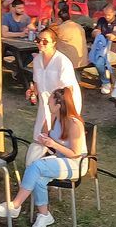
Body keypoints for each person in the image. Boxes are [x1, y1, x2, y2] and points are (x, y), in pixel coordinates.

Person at [0, 87, 86, 227]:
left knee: (36, 166)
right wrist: (45, 138)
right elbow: (45, 136)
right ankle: (44, 215)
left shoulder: (74, 124)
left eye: (50, 103)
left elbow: (75, 153)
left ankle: (15, 205)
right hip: (60, 159)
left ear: (59, 106)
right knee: (38, 178)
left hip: (76, 164)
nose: (47, 105)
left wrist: (53, 144)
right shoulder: (54, 118)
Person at [26, 27, 82, 167]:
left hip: (63, 103)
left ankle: (66, 164)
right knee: (41, 135)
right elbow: (37, 84)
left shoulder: (62, 61)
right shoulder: (37, 60)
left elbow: (68, 89)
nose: (41, 43)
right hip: (46, 103)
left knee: (61, 136)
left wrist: (59, 111)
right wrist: (32, 92)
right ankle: (38, 165)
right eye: (38, 40)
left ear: (54, 43)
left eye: (45, 41)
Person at [88, 17, 115, 95]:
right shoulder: (101, 34)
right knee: (100, 61)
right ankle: (107, 81)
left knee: (99, 63)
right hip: (102, 54)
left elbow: (100, 48)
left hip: (105, 54)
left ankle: (106, 82)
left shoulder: (103, 34)